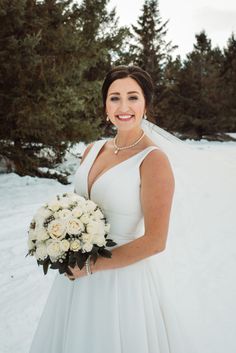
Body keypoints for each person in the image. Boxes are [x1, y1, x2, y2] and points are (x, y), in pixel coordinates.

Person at [29, 65, 236, 353]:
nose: (123, 106)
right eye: (114, 98)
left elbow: (156, 241)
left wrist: (91, 266)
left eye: (133, 97)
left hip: (122, 284)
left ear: (146, 105)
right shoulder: (91, 150)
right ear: (105, 106)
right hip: (75, 282)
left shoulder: (153, 161)